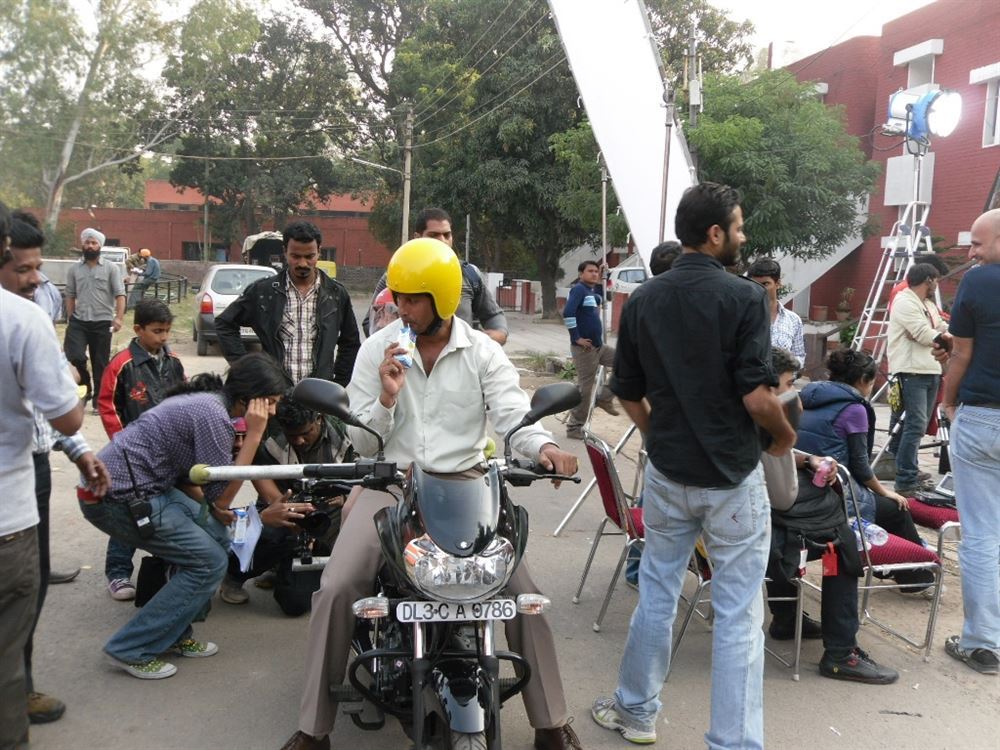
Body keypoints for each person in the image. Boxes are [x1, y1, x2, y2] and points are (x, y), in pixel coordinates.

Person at [282, 238, 582, 750]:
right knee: (337, 586)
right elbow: (360, 441)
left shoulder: (482, 352)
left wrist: (546, 447)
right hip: (391, 485)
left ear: (442, 299)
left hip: (467, 486)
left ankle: (551, 722)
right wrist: (386, 398)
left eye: (413, 299)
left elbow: (513, 416)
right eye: (397, 297)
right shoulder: (378, 350)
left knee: (523, 594)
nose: (401, 308)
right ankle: (314, 729)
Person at [592, 182, 796, 748]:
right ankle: (732, 743)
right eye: (738, 227)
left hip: (668, 473)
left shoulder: (644, 299)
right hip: (731, 478)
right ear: (714, 233)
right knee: (737, 615)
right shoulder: (745, 298)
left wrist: (658, 435)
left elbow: (626, 392)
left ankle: (636, 711)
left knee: (658, 591)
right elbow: (757, 397)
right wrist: (784, 436)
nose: (743, 236)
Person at [80, 353, 287, 679]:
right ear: (249, 398)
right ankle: (130, 648)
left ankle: (174, 633)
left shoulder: (212, 405)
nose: (272, 412)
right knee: (209, 562)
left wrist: (215, 512)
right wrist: (255, 435)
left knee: (218, 536)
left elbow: (199, 486)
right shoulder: (213, 416)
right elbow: (221, 496)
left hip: (147, 489)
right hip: (116, 497)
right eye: (270, 403)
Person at [0, 209, 109, 729]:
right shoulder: (22, 320)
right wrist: (67, 383)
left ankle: (20, 684)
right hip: (12, 499)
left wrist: (79, 450)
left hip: (35, 461)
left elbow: (41, 414)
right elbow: (61, 407)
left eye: (38, 267)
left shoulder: (31, 307)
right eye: (22, 268)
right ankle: (12, 697)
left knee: (33, 586)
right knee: (16, 596)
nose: (34, 278)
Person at [764, 347, 899, 683]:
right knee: (840, 545)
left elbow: (771, 453)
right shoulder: (762, 416)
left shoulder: (720, 412)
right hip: (760, 533)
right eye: (788, 385)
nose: (793, 396)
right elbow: (781, 496)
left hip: (719, 531)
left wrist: (807, 459)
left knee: (817, 529)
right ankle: (840, 653)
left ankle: (786, 618)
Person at [796, 348, 935, 593]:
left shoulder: (805, 396)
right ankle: (916, 577)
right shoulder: (854, 409)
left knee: (884, 505)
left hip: (802, 484)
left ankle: (892, 568)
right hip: (832, 492)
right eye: (871, 383)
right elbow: (860, 466)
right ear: (863, 380)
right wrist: (886, 491)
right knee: (896, 508)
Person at [220, 394, 354, 614]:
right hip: (286, 516)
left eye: (305, 433)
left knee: (296, 603)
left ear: (319, 419)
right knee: (269, 530)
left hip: (329, 519)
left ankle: (287, 568)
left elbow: (361, 483)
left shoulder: (345, 436)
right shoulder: (270, 442)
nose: (299, 441)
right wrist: (295, 515)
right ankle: (234, 576)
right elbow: (273, 496)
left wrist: (346, 498)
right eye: (292, 436)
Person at [940, 207, 1000, 676]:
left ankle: (983, 642)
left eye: (978, 243)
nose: (971, 252)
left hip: (983, 417)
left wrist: (947, 402)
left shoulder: (980, 282)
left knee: (982, 532)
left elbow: (961, 351)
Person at [97, 299, 187, 602]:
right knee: (131, 511)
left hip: (167, 454)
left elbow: (184, 398)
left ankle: (167, 568)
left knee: (165, 509)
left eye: (167, 331)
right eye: (157, 331)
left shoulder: (173, 361)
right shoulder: (122, 364)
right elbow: (107, 405)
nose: (163, 337)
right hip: (131, 456)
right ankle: (118, 572)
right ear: (138, 329)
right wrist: (124, 444)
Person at [216, 220, 360, 386]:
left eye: (309, 256)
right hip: (274, 393)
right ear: (285, 252)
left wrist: (338, 383)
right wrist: (246, 370)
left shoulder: (336, 294)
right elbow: (225, 323)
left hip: (319, 394)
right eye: (295, 256)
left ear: (319, 252)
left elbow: (350, 342)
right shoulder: (263, 292)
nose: (303, 263)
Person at [361, 207, 509, 344]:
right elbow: (369, 323)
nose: (442, 241)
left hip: (460, 360)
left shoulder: (469, 275)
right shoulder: (397, 275)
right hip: (409, 361)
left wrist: (495, 336)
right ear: (418, 237)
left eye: (447, 235)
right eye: (434, 235)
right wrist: (390, 331)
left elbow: (493, 315)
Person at [624, 240, 680, 588]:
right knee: (657, 490)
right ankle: (639, 565)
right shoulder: (666, 307)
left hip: (651, 406)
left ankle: (638, 565)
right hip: (662, 410)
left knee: (655, 485)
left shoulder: (642, 301)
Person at [886, 263, 948, 494]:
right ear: (928, 280)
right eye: (936, 280)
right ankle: (905, 480)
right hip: (911, 371)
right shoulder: (904, 301)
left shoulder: (927, 304)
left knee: (915, 426)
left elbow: (940, 328)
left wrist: (945, 335)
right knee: (914, 425)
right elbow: (924, 334)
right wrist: (943, 338)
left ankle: (906, 470)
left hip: (930, 369)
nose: (937, 285)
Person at [63, 227, 126, 409]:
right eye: (87, 242)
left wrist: (119, 318)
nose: (90, 246)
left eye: (93, 243)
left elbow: (120, 295)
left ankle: (99, 400)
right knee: (75, 357)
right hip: (79, 321)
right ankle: (86, 388)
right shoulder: (74, 269)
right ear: (82, 245)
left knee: (100, 363)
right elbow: (70, 294)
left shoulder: (111, 269)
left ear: (100, 246)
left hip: (102, 322)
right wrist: (71, 318)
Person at [562, 259, 619, 439]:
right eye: (590, 271)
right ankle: (574, 428)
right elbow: (568, 312)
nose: (594, 274)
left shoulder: (592, 291)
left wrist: (605, 275)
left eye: (596, 271)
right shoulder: (579, 289)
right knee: (585, 390)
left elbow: (604, 296)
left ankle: (605, 396)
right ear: (581, 274)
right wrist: (576, 338)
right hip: (585, 349)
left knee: (626, 363)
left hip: (599, 347)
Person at [747, 257, 806, 367]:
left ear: (778, 283)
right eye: (755, 284)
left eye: (765, 284)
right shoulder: (743, 316)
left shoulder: (793, 320)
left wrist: (788, 372)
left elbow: (799, 356)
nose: (759, 289)